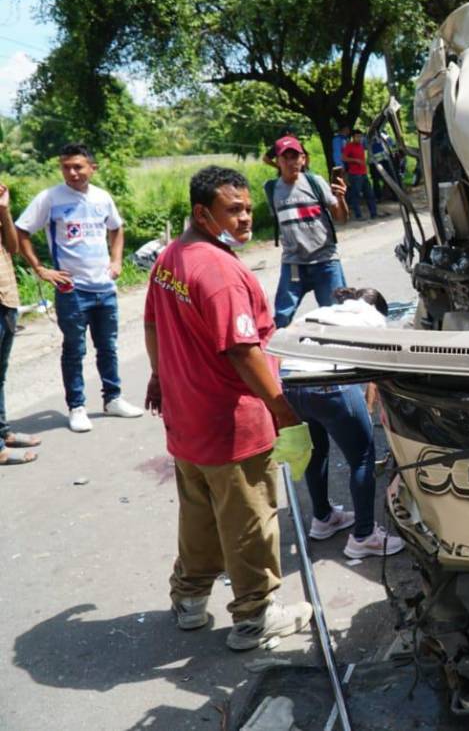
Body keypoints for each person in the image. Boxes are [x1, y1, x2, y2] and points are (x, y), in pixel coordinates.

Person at [144, 164, 312, 651]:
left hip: (187, 421)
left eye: (248, 208)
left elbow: (153, 324)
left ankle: (190, 599)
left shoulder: (170, 258)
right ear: (203, 212)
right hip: (230, 425)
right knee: (248, 519)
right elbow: (243, 350)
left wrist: (160, 375)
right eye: (233, 210)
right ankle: (256, 617)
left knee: (199, 516)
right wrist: (286, 415)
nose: (245, 219)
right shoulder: (219, 273)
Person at [16, 142, 144, 432]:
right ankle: (77, 406)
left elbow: (117, 227)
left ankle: (113, 398)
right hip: (71, 290)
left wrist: (116, 260)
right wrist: (40, 268)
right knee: (74, 350)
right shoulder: (50, 198)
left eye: (78, 166)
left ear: (92, 168)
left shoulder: (102, 197)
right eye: (66, 167)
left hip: (104, 288)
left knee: (108, 347)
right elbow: (22, 230)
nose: (72, 173)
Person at [280, 286, 406, 559]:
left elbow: (285, 337)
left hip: (290, 382)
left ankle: (323, 518)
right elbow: (379, 374)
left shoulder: (322, 311)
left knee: (316, 450)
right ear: (378, 308)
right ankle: (363, 536)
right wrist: (375, 411)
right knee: (362, 457)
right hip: (329, 384)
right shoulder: (375, 320)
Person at [264, 135, 349, 328]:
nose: (291, 162)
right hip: (294, 264)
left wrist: (340, 198)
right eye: (285, 157)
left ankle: (338, 357)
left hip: (325, 262)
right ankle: (275, 358)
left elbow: (342, 219)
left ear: (303, 159)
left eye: (295, 156)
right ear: (277, 161)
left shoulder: (315, 182)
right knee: (281, 319)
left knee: (337, 317)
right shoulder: (271, 189)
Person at [0, 180, 40, 464]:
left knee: (0, 374)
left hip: (6, 297)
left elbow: (12, 247)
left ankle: (3, 433)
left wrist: (4, 211)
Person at [342, 128, 378, 220]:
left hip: (363, 173)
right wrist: (355, 160)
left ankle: (374, 213)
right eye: (357, 137)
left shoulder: (361, 146)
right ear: (353, 137)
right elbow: (344, 158)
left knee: (369, 194)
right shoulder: (349, 146)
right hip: (354, 174)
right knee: (356, 195)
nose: (359, 138)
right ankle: (358, 215)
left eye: (360, 137)